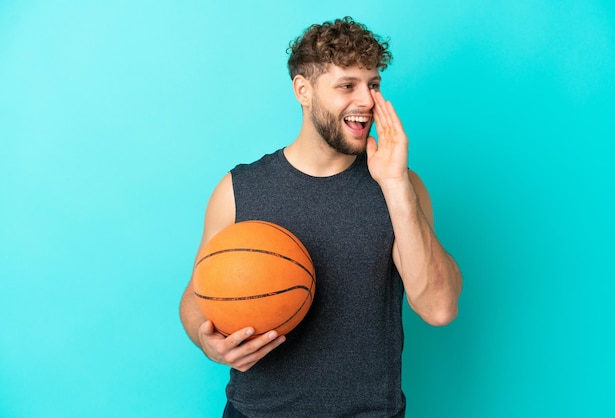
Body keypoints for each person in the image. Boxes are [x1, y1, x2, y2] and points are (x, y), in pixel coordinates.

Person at [179, 16, 462, 418]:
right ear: (303, 90)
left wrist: (395, 183)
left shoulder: (401, 187)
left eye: (374, 85)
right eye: (347, 85)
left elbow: (439, 308)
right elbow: (195, 296)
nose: (366, 100)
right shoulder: (239, 188)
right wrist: (206, 341)